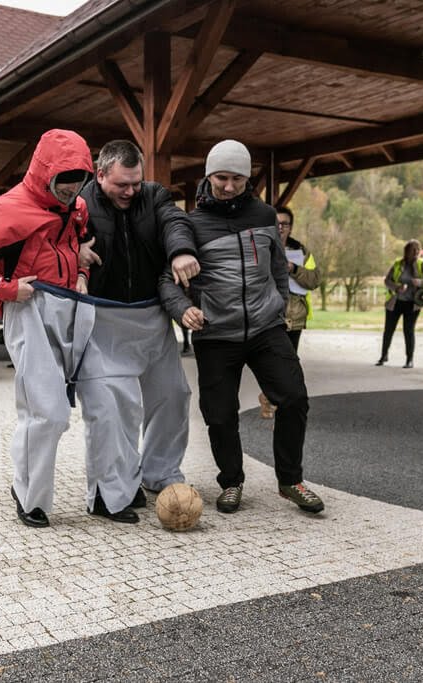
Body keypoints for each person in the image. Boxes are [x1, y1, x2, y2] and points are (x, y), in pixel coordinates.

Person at [159, 139, 324, 516]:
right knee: (219, 414)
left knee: (294, 398)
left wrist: (280, 301)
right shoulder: (191, 224)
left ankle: (290, 481)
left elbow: (277, 264)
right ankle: (231, 482)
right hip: (216, 334)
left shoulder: (265, 214)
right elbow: (167, 279)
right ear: (208, 176)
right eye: (221, 178)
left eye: (236, 178)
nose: (229, 186)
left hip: (267, 328)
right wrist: (183, 308)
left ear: (248, 178)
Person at [0, 128, 94, 528]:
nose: (70, 188)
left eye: (78, 178)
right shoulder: (8, 209)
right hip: (28, 309)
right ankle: (32, 499)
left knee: (44, 408)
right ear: (44, 171)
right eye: (63, 178)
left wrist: (81, 268)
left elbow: (77, 242)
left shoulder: (78, 207)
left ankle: (27, 486)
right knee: (49, 411)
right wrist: (7, 289)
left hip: (68, 307)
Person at [76, 139, 198, 517]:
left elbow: (175, 221)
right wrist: (74, 250)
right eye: (121, 185)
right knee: (115, 408)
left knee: (173, 395)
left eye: (136, 183)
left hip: (151, 316)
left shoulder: (154, 195)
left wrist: (180, 250)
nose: (131, 192)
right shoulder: (79, 204)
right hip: (103, 318)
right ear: (100, 175)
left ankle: (160, 472)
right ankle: (111, 490)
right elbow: (52, 235)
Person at [259, 206, 321, 417]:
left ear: (291, 227)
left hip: (294, 315)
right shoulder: (260, 246)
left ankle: (279, 401)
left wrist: (293, 269)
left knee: (289, 361)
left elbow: (314, 280)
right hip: (268, 313)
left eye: (285, 224)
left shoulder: (302, 252)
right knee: (270, 361)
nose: (281, 227)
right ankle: (269, 397)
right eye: (277, 223)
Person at [376, 239, 423, 369]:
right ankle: (384, 356)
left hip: (413, 304)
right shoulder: (397, 264)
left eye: (418, 249)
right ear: (406, 252)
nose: (416, 252)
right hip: (395, 302)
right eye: (413, 250)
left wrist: (420, 282)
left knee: (409, 331)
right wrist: (397, 287)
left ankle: (409, 360)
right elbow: (387, 280)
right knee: (389, 330)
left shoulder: (422, 264)